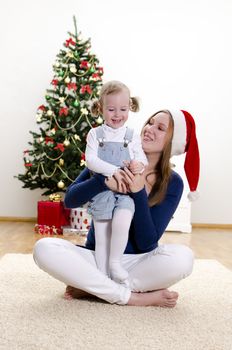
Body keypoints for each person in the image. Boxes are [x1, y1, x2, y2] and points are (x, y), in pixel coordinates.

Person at [33, 109, 200, 308]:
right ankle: (132, 297)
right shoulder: (109, 157)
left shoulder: (173, 183)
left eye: (160, 128)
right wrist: (103, 182)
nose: (149, 129)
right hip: (98, 258)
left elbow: (147, 243)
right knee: (44, 248)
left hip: (137, 262)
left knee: (183, 258)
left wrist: (137, 193)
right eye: (150, 122)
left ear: (173, 143)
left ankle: (94, 289)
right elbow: (70, 200)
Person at [85, 80, 148, 283]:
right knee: (102, 235)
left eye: (123, 109)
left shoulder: (132, 136)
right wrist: (113, 171)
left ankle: (115, 263)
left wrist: (138, 165)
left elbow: (142, 159)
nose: (117, 115)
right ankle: (102, 276)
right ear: (101, 108)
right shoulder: (95, 134)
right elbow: (91, 160)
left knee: (122, 222)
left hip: (123, 193)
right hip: (103, 193)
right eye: (111, 109)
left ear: (130, 107)